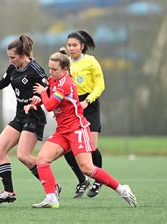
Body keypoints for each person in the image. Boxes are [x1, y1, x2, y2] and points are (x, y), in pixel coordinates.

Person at [24, 50, 137, 208]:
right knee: (42, 160)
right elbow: (47, 99)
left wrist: (42, 93)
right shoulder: (53, 81)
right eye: (49, 68)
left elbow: (50, 105)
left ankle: (122, 189)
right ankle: (51, 198)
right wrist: (34, 103)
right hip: (62, 131)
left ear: (64, 69)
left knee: (87, 168)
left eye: (54, 69)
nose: (50, 72)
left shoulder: (66, 83)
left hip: (77, 129)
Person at [0, 34, 60, 204]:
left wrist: (35, 101)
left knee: (23, 156)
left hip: (34, 116)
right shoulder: (12, 69)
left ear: (23, 55)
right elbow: (3, 82)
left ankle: (52, 186)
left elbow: (47, 92)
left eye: (12, 57)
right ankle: (9, 192)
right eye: (8, 57)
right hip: (20, 116)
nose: (10, 60)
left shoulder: (36, 70)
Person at [64, 30, 106, 198]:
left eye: (74, 45)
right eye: (69, 45)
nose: (71, 48)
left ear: (82, 46)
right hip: (72, 107)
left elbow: (100, 85)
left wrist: (87, 101)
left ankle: (98, 180)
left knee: (91, 146)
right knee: (67, 148)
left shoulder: (91, 61)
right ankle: (82, 180)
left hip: (89, 105)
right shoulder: (65, 62)